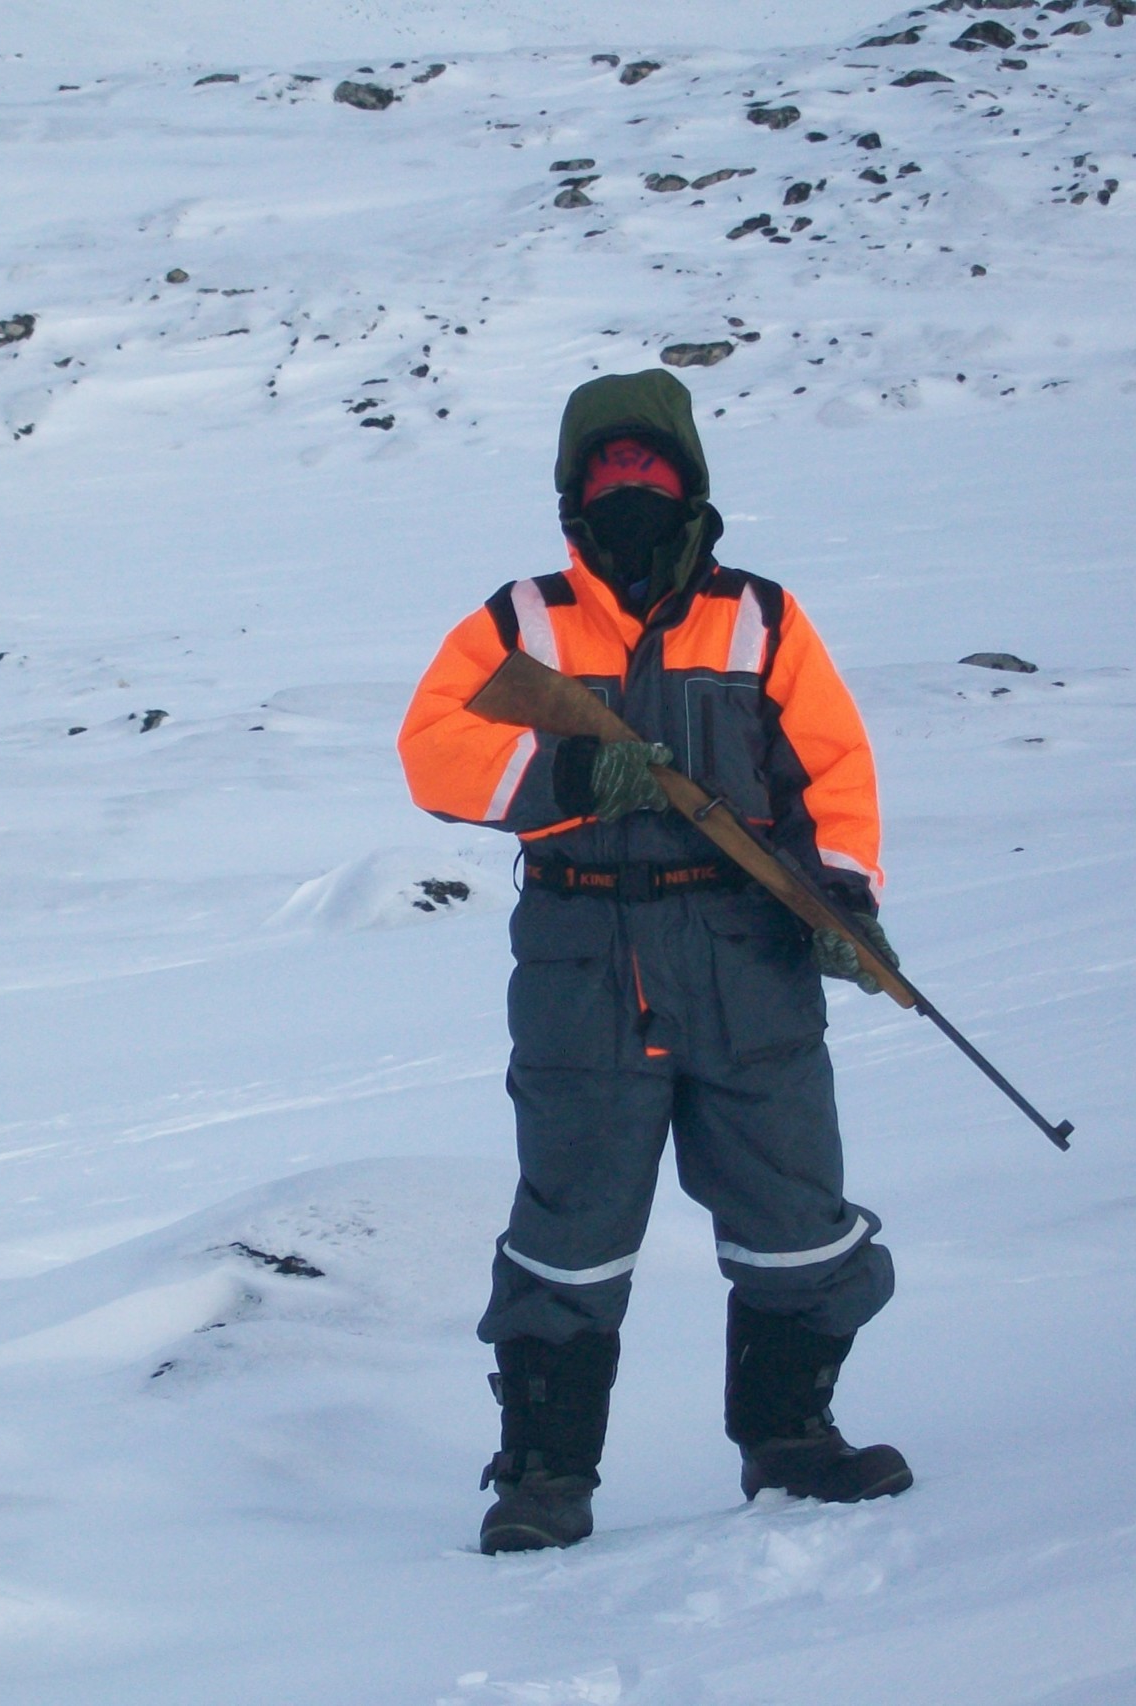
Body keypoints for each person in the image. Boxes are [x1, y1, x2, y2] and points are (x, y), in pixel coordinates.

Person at [397, 369, 911, 1555]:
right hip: (581, 957)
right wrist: (570, 778)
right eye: (607, 469)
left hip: (747, 949)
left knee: (794, 1213)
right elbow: (434, 752)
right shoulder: (517, 621)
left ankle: (791, 1440)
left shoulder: (764, 619)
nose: (630, 485)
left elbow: (833, 770)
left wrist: (840, 895)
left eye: (650, 467)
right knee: (568, 1227)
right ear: (573, 488)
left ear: (690, 482)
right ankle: (543, 1478)